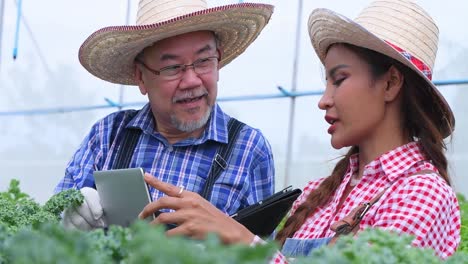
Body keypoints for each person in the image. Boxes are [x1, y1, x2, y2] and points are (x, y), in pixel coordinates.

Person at [138, 0, 461, 261]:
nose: (324, 100)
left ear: (390, 83)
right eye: (326, 82)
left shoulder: (422, 195)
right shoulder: (319, 193)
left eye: (340, 79)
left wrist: (237, 236)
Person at [55, 0, 276, 231]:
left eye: (203, 61)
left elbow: (260, 250)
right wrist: (68, 220)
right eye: (172, 68)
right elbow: (49, 224)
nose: (191, 80)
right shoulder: (108, 136)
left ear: (218, 61)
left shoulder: (248, 147)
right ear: (141, 77)